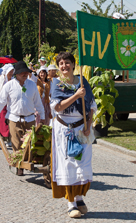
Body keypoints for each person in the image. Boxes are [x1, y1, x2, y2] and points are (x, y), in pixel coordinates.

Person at [50, 52, 96, 218]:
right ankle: (71, 203)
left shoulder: (83, 82)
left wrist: (88, 126)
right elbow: (58, 107)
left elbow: (91, 106)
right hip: (65, 129)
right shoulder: (57, 84)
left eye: (67, 63)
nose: (64, 66)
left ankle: (79, 198)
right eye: (61, 63)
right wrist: (76, 95)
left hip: (81, 128)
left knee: (82, 164)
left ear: (73, 64)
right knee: (69, 164)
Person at [0, 61, 45, 176]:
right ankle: (19, 166)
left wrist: (42, 116)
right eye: (22, 73)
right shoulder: (9, 86)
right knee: (16, 144)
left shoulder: (31, 85)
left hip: (29, 119)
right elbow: (0, 102)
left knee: (29, 144)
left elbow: (38, 102)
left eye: (26, 72)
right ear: (17, 74)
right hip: (14, 119)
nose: (25, 74)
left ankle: (27, 162)